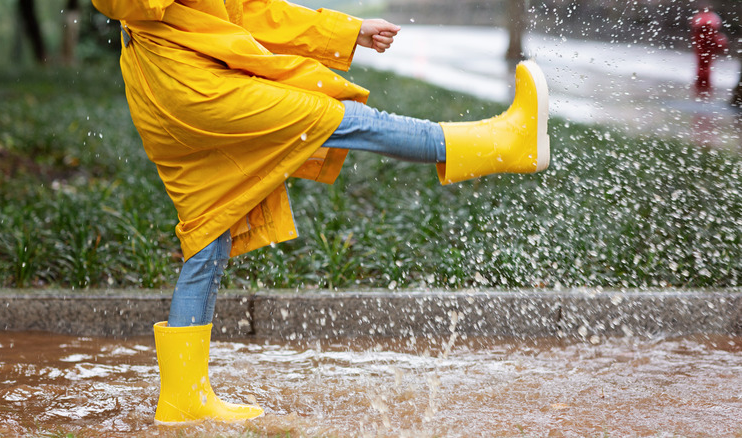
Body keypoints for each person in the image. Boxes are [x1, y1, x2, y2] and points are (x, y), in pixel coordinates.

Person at [91, 0, 549, 425]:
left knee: (211, 230)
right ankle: (502, 144)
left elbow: (251, 12)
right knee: (336, 118)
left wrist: (348, 32)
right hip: (193, 88)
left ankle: (182, 399)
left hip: (177, 85)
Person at [691, 5, 728, 97]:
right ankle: (704, 86)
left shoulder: (700, 18)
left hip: (702, 44)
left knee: (702, 65)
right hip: (707, 44)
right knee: (706, 65)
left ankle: (701, 86)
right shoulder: (712, 18)